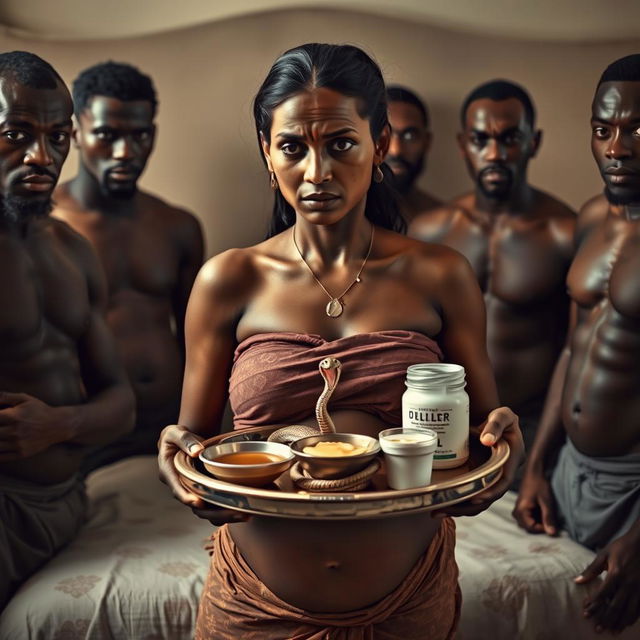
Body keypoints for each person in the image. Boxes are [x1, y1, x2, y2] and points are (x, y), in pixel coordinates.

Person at [158, 43, 524, 639]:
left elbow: (483, 431)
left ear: (380, 145)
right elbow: (196, 444)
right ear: (266, 151)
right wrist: (175, 456)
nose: (316, 173)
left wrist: (503, 443)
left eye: (341, 144)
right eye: (292, 147)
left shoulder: (440, 275)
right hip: (256, 605)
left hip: (409, 602)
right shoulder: (229, 280)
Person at [0, 51, 134, 609]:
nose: (42, 156)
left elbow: (122, 404)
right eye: (17, 133)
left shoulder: (73, 252)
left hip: (66, 501)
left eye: (58, 137)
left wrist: (57, 425)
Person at [513, 54, 640, 635]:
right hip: (569, 474)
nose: (618, 147)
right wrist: (537, 467)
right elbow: (572, 349)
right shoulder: (591, 219)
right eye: (603, 129)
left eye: (639, 129)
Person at [410, 80, 576, 460]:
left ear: (533, 142)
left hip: (531, 427)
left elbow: (577, 351)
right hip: (444, 423)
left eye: (510, 138)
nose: (495, 153)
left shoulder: (563, 234)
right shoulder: (431, 230)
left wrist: (539, 460)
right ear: (462, 144)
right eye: (481, 139)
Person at [52, 62, 204, 472]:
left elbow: (200, 343)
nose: (126, 152)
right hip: (81, 437)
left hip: (165, 432)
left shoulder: (177, 226)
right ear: (76, 133)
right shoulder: (43, 227)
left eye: (139, 135)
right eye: (107, 135)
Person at [385, 85, 441, 223]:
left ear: (427, 141)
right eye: (384, 135)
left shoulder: (446, 221)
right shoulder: (341, 215)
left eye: (409, 136)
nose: (396, 150)